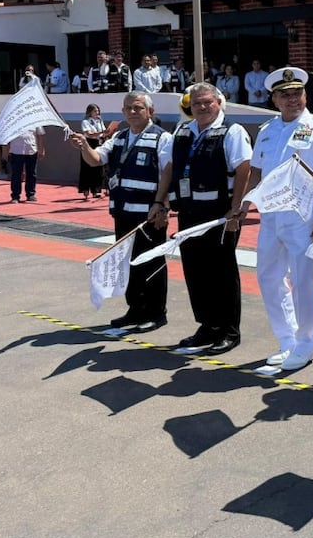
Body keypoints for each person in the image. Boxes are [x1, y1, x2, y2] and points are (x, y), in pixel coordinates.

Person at [242, 67, 313, 370]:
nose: (292, 100)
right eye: (285, 95)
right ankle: (286, 339)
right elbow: (256, 173)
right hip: (271, 215)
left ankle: (307, 343)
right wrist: (244, 205)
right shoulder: (268, 130)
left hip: (304, 214)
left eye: (297, 93)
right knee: (268, 277)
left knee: (302, 280)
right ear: (274, 99)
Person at [156, 83, 252, 355]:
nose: (201, 106)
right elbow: (170, 168)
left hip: (219, 214)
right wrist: (160, 201)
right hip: (188, 212)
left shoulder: (233, 132)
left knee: (221, 273)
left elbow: (244, 168)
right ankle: (207, 325)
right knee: (195, 272)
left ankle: (229, 330)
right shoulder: (183, 131)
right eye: (196, 102)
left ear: (219, 103)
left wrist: (236, 210)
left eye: (207, 102)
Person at [72, 92, 174, 332]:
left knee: (151, 262)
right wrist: (85, 145)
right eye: (128, 108)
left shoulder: (163, 138)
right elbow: (96, 160)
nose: (132, 112)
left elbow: (168, 172)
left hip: (149, 215)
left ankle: (156, 312)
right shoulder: (119, 137)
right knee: (127, 264)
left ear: (150, 111)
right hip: (122, 212)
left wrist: (161, 205)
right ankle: (135, 309)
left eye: (138, 108)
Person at [1, 127, 45, 203]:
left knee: (31, 174)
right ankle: (15, 196)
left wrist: (41, 150)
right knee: (16, 174)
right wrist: (5, 151)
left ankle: (30, 195)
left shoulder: (35, 120)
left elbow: (40, 135)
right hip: (16, 151)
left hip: (31, 150)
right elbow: (6, 137)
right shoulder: (13, 122)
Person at [78, 104, 107, 200]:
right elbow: (88, 134)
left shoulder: (99, 121)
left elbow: (103, 132)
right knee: (87, 167)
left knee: (98, 167)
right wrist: (99, 133)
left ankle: (96, 190)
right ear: (90, 112)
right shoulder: (85, 122)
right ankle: (85, 189)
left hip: (98, 143)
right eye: (95, 111)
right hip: (89, 143)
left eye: (98, 111)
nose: (97, 113)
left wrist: (106, 133)